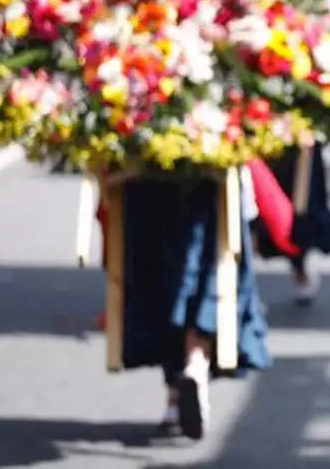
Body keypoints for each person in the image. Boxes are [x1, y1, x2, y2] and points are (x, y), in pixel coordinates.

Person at [98, 171, 271, 440]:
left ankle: (175, 395)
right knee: (206, 269)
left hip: (145, 175)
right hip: (206, 170)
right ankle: (195, 363)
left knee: (162, 279)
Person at [251, 144, 330, 306]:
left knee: (302, 207)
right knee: (254, 205)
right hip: (261, 136)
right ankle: (244, 288)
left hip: (298, 141)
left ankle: (300, 266)